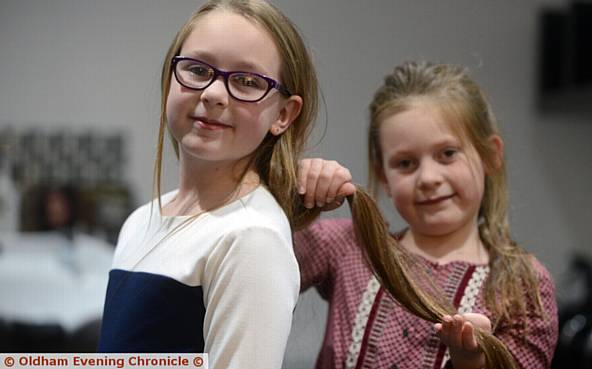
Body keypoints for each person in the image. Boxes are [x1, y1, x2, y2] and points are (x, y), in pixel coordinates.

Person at [97, 1, 320, 368]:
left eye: (247, 81)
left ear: (283, 114)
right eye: (198, 70)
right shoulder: (140, 220)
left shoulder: (250, 239)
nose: (214, 94)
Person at [295, 61, 558, 369]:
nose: (428, 178)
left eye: (447, 154)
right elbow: (247, 258)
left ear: (490, 155)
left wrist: (472, 362)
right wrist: (294, 195)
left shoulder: (523, 284)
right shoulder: (350, 247)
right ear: (384, 177)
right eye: (405, 163)